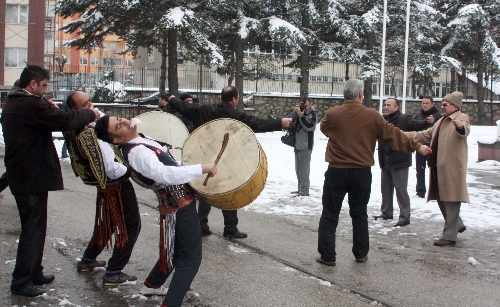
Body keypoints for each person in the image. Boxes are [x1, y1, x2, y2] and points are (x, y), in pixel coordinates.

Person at [94, 115, 217, 307]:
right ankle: (171, 303)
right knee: (191, 257)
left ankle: (152, 284)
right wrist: (201, 168)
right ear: (117, 140)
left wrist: (101, 116)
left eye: (120, 118)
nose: (125, 121)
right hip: (178, 203)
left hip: (176, 201)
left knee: (175, 251)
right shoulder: (136, 152)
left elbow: (122, 124)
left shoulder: (136, 141)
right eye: (119, 125)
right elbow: (163, 174)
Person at [1, 65, 99, 297]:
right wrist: (91, 114)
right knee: (33, 231)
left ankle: (34, 272)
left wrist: (46, 105)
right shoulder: (29, 104)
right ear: (32, 84)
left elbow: (46, 118)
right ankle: (21, 282)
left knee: (34, 228)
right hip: (31, 175)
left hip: (26, 174)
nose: (45, 91)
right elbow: (63, 120)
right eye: (43, 86)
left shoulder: (17, 102)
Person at [316, 79, 431, 266]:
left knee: (330, 214)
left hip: (336, 171)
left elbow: (324, 128)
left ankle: (327, 256)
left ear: (345, 94)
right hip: (361, 172)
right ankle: (361, 253)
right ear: (361, 95)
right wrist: (417, 146)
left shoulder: (333, 114)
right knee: (359, 213)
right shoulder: (372, 116)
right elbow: (394, 135)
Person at [168, 86, 293, 238]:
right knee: (228, 191)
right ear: (233, 99)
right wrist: (280, 123)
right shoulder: (233, 114)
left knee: (207, 191)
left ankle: (202, 225)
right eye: (238, 98)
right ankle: (230, 228)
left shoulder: (204, 110)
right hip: (227, 159)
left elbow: (184, 107)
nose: (237, 101)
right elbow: (256, 123)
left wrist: (173, 99)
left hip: (205, 157)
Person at [63, 91, 140, 285]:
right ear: (74, 110)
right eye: (84, 105)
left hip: (104, 186)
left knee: (106, 224)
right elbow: (110, 167)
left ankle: (88, 260)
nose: (90, 106)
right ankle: (114, 271)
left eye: (90, 101)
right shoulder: (90, 132)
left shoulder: (75, 127)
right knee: (130, 226)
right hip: (116, 185)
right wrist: (128, 171)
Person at [405, 91, 469, 246]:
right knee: (441, 198)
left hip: (453, 168)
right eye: (442, 104)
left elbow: (465, 129)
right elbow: (423, 135)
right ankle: (457, 224)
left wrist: (460, 127)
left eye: (446, 104)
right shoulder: (441, 122)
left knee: (452, 200)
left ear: (455, 106)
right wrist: (400, 134)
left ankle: (449, 237)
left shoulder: (461, 117)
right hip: (438, 167)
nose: (442, 107)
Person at [374, 98, 428, 227]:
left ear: (397, 107)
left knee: (400, 190)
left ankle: (404, 216)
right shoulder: (383, 120)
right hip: (385, 160)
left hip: (400, 161)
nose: (385, 107)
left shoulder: (405, 119)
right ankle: (386, 212)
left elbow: (416, 125)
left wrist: (426, 121)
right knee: (385, 189)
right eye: (385, 105)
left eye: (388, 105)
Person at [286, 98, 316, 197]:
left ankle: (304, 191)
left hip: (306, 146)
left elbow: (309, 127)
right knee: (298, 169)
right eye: (303, 105)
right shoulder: (298, 112)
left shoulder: (312, 114)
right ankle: (300, 189)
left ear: (310, 104)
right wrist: (294, 112)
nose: (304, 107)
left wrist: (302, 116)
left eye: (306, 106)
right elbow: (288, 120)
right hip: (297, 144)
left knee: (304, 170)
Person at [414, 96, 441, 198]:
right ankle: (420, 191)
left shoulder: (438, 116)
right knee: (420, 170)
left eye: (427, 103)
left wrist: (433, 122)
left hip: (433, 147)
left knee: (434, 170)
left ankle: (435, 192)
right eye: (423, 103)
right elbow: (415, 129)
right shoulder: (418, 116)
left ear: (432, 104)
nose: (424, 105)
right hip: (420, 146)